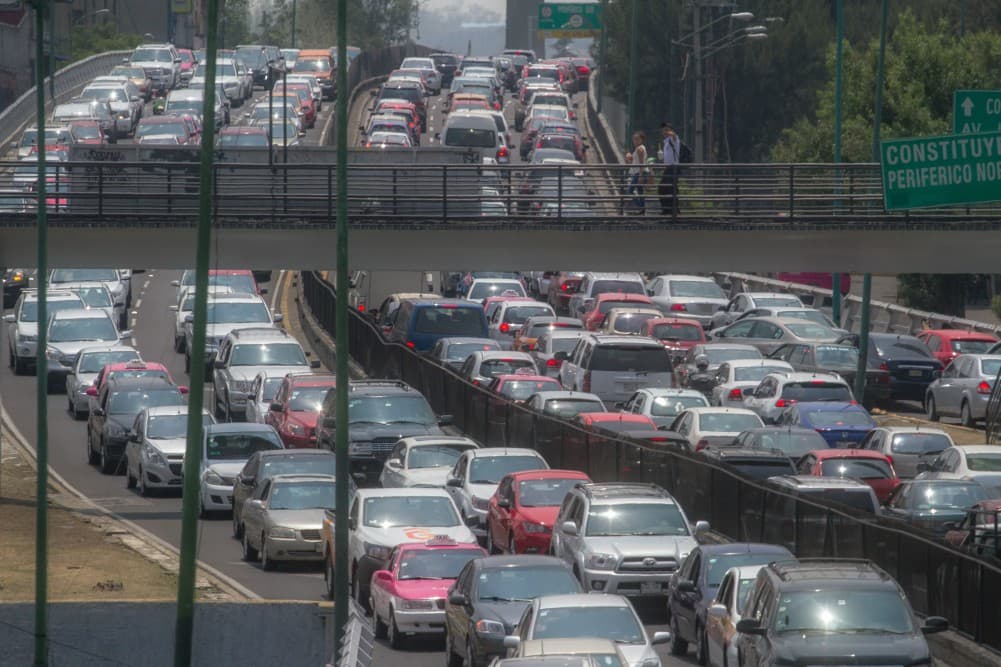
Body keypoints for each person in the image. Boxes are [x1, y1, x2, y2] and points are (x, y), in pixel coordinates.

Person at [659, 122, 681, 216]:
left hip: (673, 167)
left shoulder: (673, 139)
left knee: (668, 189)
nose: (664, 131)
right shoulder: (666, 142)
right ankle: (668, 209)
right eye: (663, 130)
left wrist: (671, 133)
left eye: (667, 129)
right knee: (666, 189)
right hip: (667, 168)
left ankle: (672, 210)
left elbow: (675, 136)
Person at [626, 131, 648, 213]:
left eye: (637, 139)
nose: (635, 141)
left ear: (641, 140)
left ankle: (640, 207)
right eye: (634, 139)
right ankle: (642, 209)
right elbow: (635, 161)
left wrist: (641, 175)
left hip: (639, 173)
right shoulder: (639, 148)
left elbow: (642, 163)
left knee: (630, 191)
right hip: (638, 172)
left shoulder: (640, 149)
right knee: (640, 191)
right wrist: (630, 157)